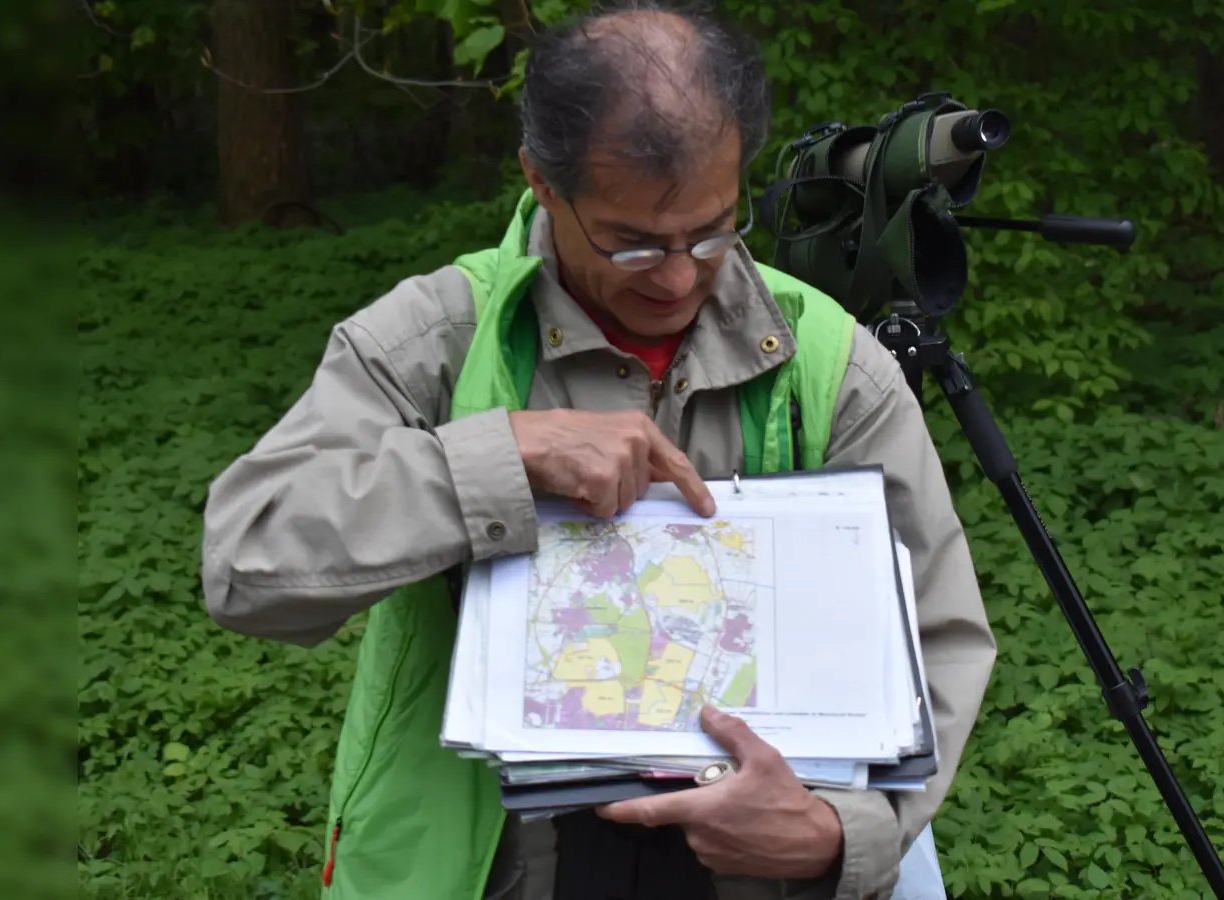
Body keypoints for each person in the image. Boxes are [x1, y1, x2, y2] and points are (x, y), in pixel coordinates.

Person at [199, 2, 996, 898]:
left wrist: (839, 834)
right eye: (632, 244)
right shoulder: (435, 340)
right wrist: (498, 459)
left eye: (714, 229)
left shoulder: (828, 364)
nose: (680, 275)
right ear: (542, 181)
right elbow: (246, 563)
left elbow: (938, 635)